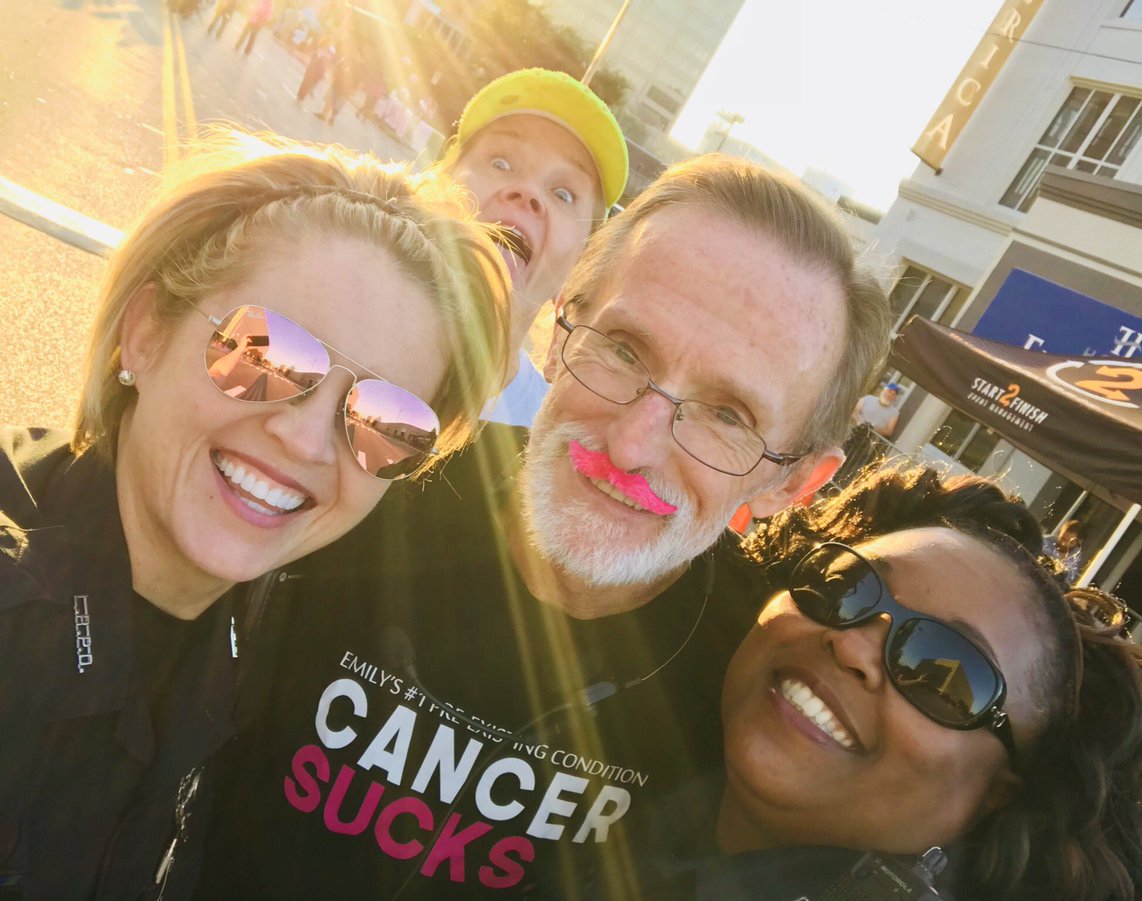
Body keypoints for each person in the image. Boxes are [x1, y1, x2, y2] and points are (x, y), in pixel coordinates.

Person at [193, 153, 895, 898]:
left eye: (728, 416)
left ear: (795, 481)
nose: (631, 445)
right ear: (560, 333)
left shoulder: (752, 692)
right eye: (624, 351)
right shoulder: (375, 473)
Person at [0, 130, 510, 900]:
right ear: (146, 330)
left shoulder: (258, 644)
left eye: (384, 419)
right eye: (265, 356)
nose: (306, 439)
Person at [627, 464, 1142, 900]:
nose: (849, 644)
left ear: (997, 793)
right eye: (848, 585)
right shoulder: (602, 754)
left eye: (939, 670)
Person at [437, 68, 629, 427]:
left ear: (579, 268)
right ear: (440, 180)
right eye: (501, 162)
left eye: (563, 193)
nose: (528, 192)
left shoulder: (544, 446)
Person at [1043, 516, 1084, 583]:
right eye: (1062, 538)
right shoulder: (1045, 541)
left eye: (1070, 542)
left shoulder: (1077, 559)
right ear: (1060, 533)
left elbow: (1067, 579)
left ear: (1078, 542)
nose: (1064, 544)